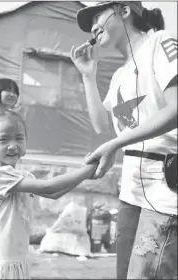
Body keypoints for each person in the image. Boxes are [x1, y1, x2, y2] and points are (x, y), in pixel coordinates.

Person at [71, 2, 177, 279]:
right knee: (124, 274)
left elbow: (176, 108)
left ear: (125, 11)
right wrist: (88, 77)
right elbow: (102, 127)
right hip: (130, 191)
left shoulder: (159, 42)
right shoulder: (119, 75)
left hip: (165, 185)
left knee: (146, 274)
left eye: (98, 16)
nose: (93, 26)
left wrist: (117, 143)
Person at [0, 110, 98, 279]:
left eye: (19, 138)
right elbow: (49, 188)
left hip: (15, 259)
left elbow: (55, 193)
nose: (13, 145)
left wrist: (85, 173)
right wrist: (88, 170)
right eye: (4, 139)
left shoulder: (23, 177)